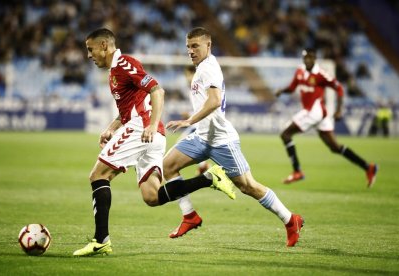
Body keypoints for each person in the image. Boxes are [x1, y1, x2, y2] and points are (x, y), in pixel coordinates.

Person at [73, 28, 236, 257]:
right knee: (151, 196)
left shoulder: (124, 64)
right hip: (148, 131)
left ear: (103, 46)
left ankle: (101, 240)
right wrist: (110, 128)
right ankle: (209, 178)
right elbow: (125, 111)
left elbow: (157, 90)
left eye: (90, 49)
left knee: (98, 175)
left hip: (143, 128)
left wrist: (151, 124)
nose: (89, 55)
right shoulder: (114, 73)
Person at [164, 27, 304, 247]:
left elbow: (214, 101)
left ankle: (290, 219)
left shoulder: (209, 68)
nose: (190, 51)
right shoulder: (202, 67)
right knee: (168, 166)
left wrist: (189, 121)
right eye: (188, 47)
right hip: (202, 137)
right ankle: (189, 216)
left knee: (248, 186)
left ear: (208, 46)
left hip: (221, 140)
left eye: (195, 46)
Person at [275, 48, 378, 187]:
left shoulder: (321, 74)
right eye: (306, 57)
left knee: (285, 134)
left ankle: (297, 171)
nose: (308, 60)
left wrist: (339, 110)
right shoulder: (300, 71)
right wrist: (282, 91)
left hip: (315, 112)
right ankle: (368, 167)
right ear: (303, 58)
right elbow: (293, 87)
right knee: (335, 147)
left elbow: (339, 88)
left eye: (311, 57)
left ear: (315, 59)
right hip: (317, 115)